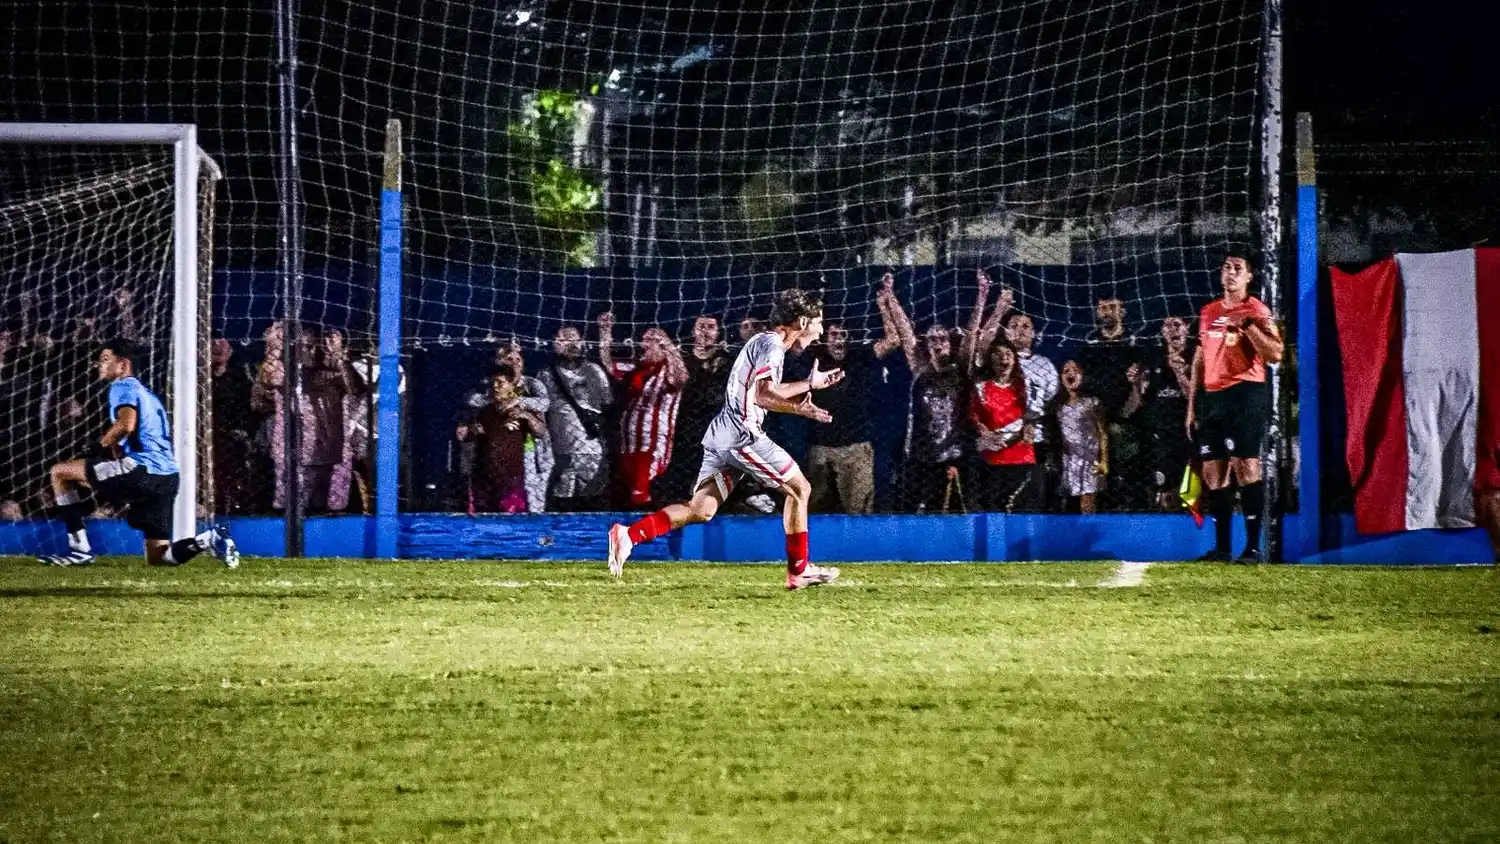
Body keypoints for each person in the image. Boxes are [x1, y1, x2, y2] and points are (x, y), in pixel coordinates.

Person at [606, 289, 845, 590]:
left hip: (724, 431)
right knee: (800, 490)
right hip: (742, 436)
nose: (821, 330)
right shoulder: (772, 345)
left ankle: (629, 535)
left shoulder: (763, 342)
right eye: (818, 322)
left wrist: (804, 395)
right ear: (800, 321)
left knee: (701, 510)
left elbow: (761, 392)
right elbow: (763, 395)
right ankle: (798, 571)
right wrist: (804, 397)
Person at [37, 338, 238, 568]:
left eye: (104, 360)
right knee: (159, 557)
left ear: (122, 365)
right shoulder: (148, 395)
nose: (98, 365)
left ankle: (79, 549)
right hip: (167, 477)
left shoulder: (122, 386)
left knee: (59, 472)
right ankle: (209, 539)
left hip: (142, 469)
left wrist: (99, 446)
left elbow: (126, 425)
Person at [1187, 248, 1284, 563]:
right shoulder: (1209, 311)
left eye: (1237, 268)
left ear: (1249, 276)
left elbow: (1276, 354)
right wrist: (1192, 406)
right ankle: (1222, 548)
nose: (1229, 272)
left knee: (1246, 466)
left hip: (1245, 392)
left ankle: (1254, 549)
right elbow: (1200, 358)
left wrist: (1249, 327)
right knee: (1214, 472)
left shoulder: (1255, 308)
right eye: (1226, 267)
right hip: (1212, 397)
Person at [598, 314, 688, 509]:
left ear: (663, 347)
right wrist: (605, 332)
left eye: (651, 341)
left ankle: (650, 535)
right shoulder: (636, 369)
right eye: (644, 339)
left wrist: (669, 345)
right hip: (628, 446)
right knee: (627, 496)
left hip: (653, 447)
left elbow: (682, 377)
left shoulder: (669, 371)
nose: (644, 344)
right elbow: (608, 363)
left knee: (643, 496)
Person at [456, 364, 548, 514]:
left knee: (513, 524)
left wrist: (526, 416)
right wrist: (471, 430)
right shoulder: (482, 411)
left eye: (500, 383)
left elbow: (540, 431)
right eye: (493, 383)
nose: (495, 387)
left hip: (512, 480)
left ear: (511, 385)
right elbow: (462, 435)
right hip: (484, 480)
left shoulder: (523, 411)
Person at [968, 339, 1037, 512]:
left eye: (1007, 354)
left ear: (1014, 359)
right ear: (990, 359)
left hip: (1021, 459)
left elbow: (1031, 417)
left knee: (1021, 514)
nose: (1003, 358)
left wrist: (1024, 431)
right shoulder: (981, 388)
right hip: (993, 461)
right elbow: (975, 419)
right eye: (997, 354)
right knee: (995, 515)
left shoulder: (1025, 385)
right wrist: (986, 436)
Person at [1056, 360, 1108, 514]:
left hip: (1089, 457)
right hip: (1069, 458)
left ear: (1082, 376)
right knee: (1069, 500)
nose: (1071, 373)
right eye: (1066, 371)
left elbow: (1103, 432)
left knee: (1087, 500)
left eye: (1075, 370)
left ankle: (1089, 528)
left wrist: (1105, 460)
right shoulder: (1059, 406)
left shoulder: (1092, 402)